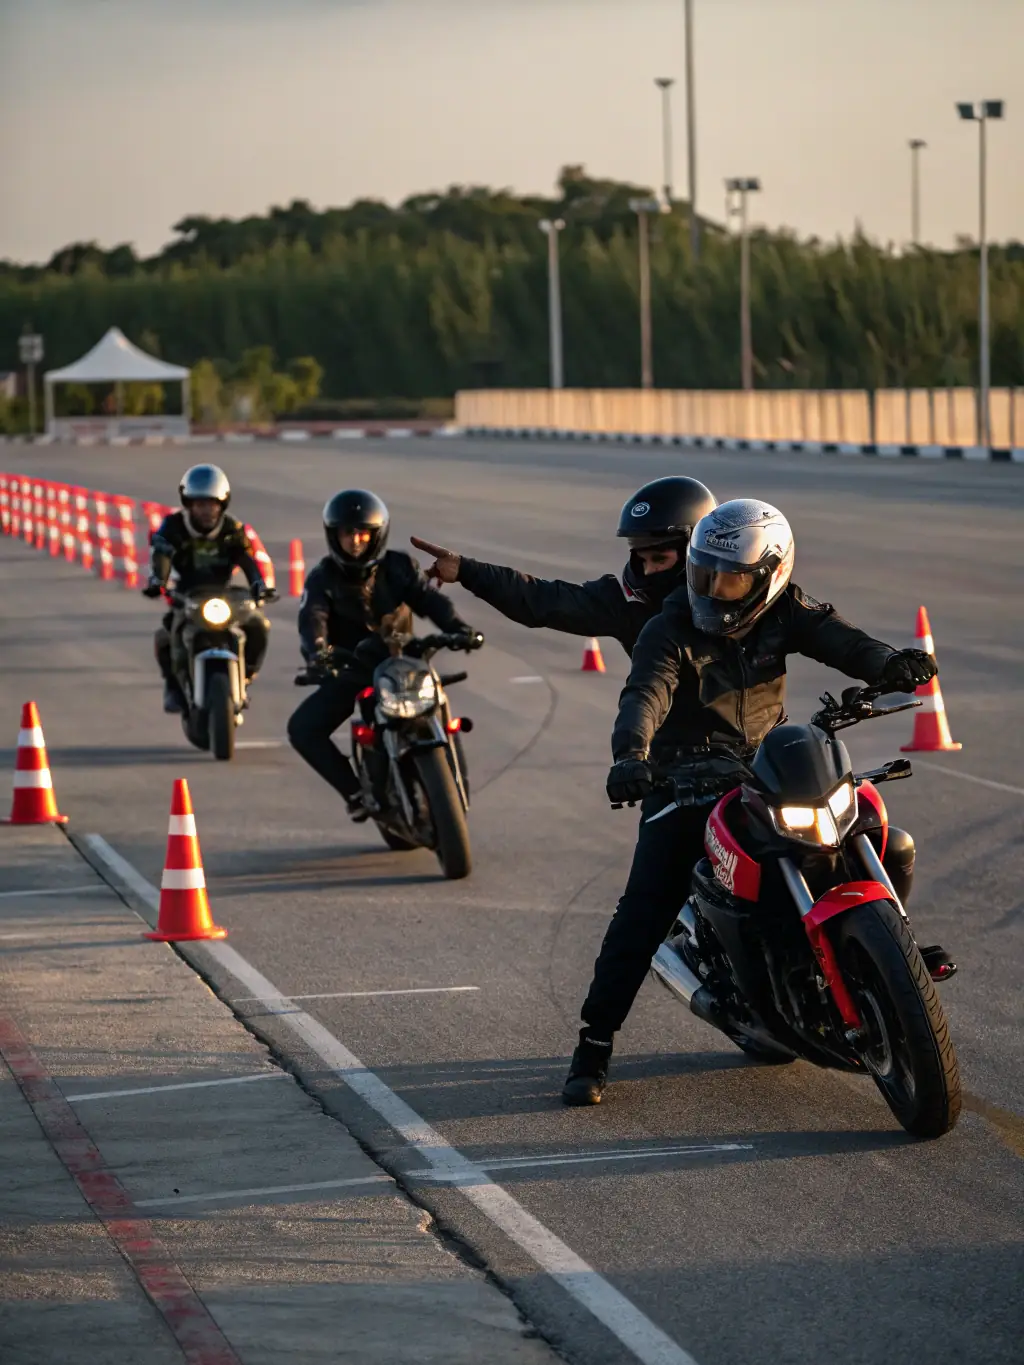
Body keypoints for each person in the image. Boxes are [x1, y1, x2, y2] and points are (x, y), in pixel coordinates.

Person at [563, 498, 939, 1105]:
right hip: (683, 778)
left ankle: (898, 961)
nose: (712, 588)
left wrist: (891, 663)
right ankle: (593, 1047)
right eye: (703, 573)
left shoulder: (786, 610)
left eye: (728, 577)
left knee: (878, 835)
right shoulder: (669, 625)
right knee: (642, 912)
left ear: (770, 574)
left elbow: (844, 641)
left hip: (770, 764)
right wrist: (630, 756)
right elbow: (644, 695)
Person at [287, 489, 480, 817]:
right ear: (335, 536)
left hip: (403, 660)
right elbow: (312, 619)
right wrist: (318, 653)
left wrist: (459, 629)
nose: (356, 541)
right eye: (348, 533)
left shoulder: (399, 566)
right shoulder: (323, 578)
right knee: (301, 728)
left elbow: (429, 599)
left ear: (378, 534)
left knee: (438, 701)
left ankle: (450, 774)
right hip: (352, 668)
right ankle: (357, 793)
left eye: (363, 532)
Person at [410, 475, 718, 659]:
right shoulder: (625, 605)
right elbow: (541, 600)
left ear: (695, 551)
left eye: (659, 559)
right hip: (670, 748)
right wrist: (466, 570)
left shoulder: (739, 601)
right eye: (642, 559)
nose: (648, 571)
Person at [141, 464, 270, 714]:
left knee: (258, 625)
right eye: (199, 504)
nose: (206, 511)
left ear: (222, 504)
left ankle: (247, 674)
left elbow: (247, 558)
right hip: (186, 594)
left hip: (224, 594)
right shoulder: (173, 526)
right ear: (188, 504)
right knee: (169, 635)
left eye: (212, 504)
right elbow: (162, 554)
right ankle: (174, 686)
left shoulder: (232, 529)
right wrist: (158, 580)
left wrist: (258, 584)